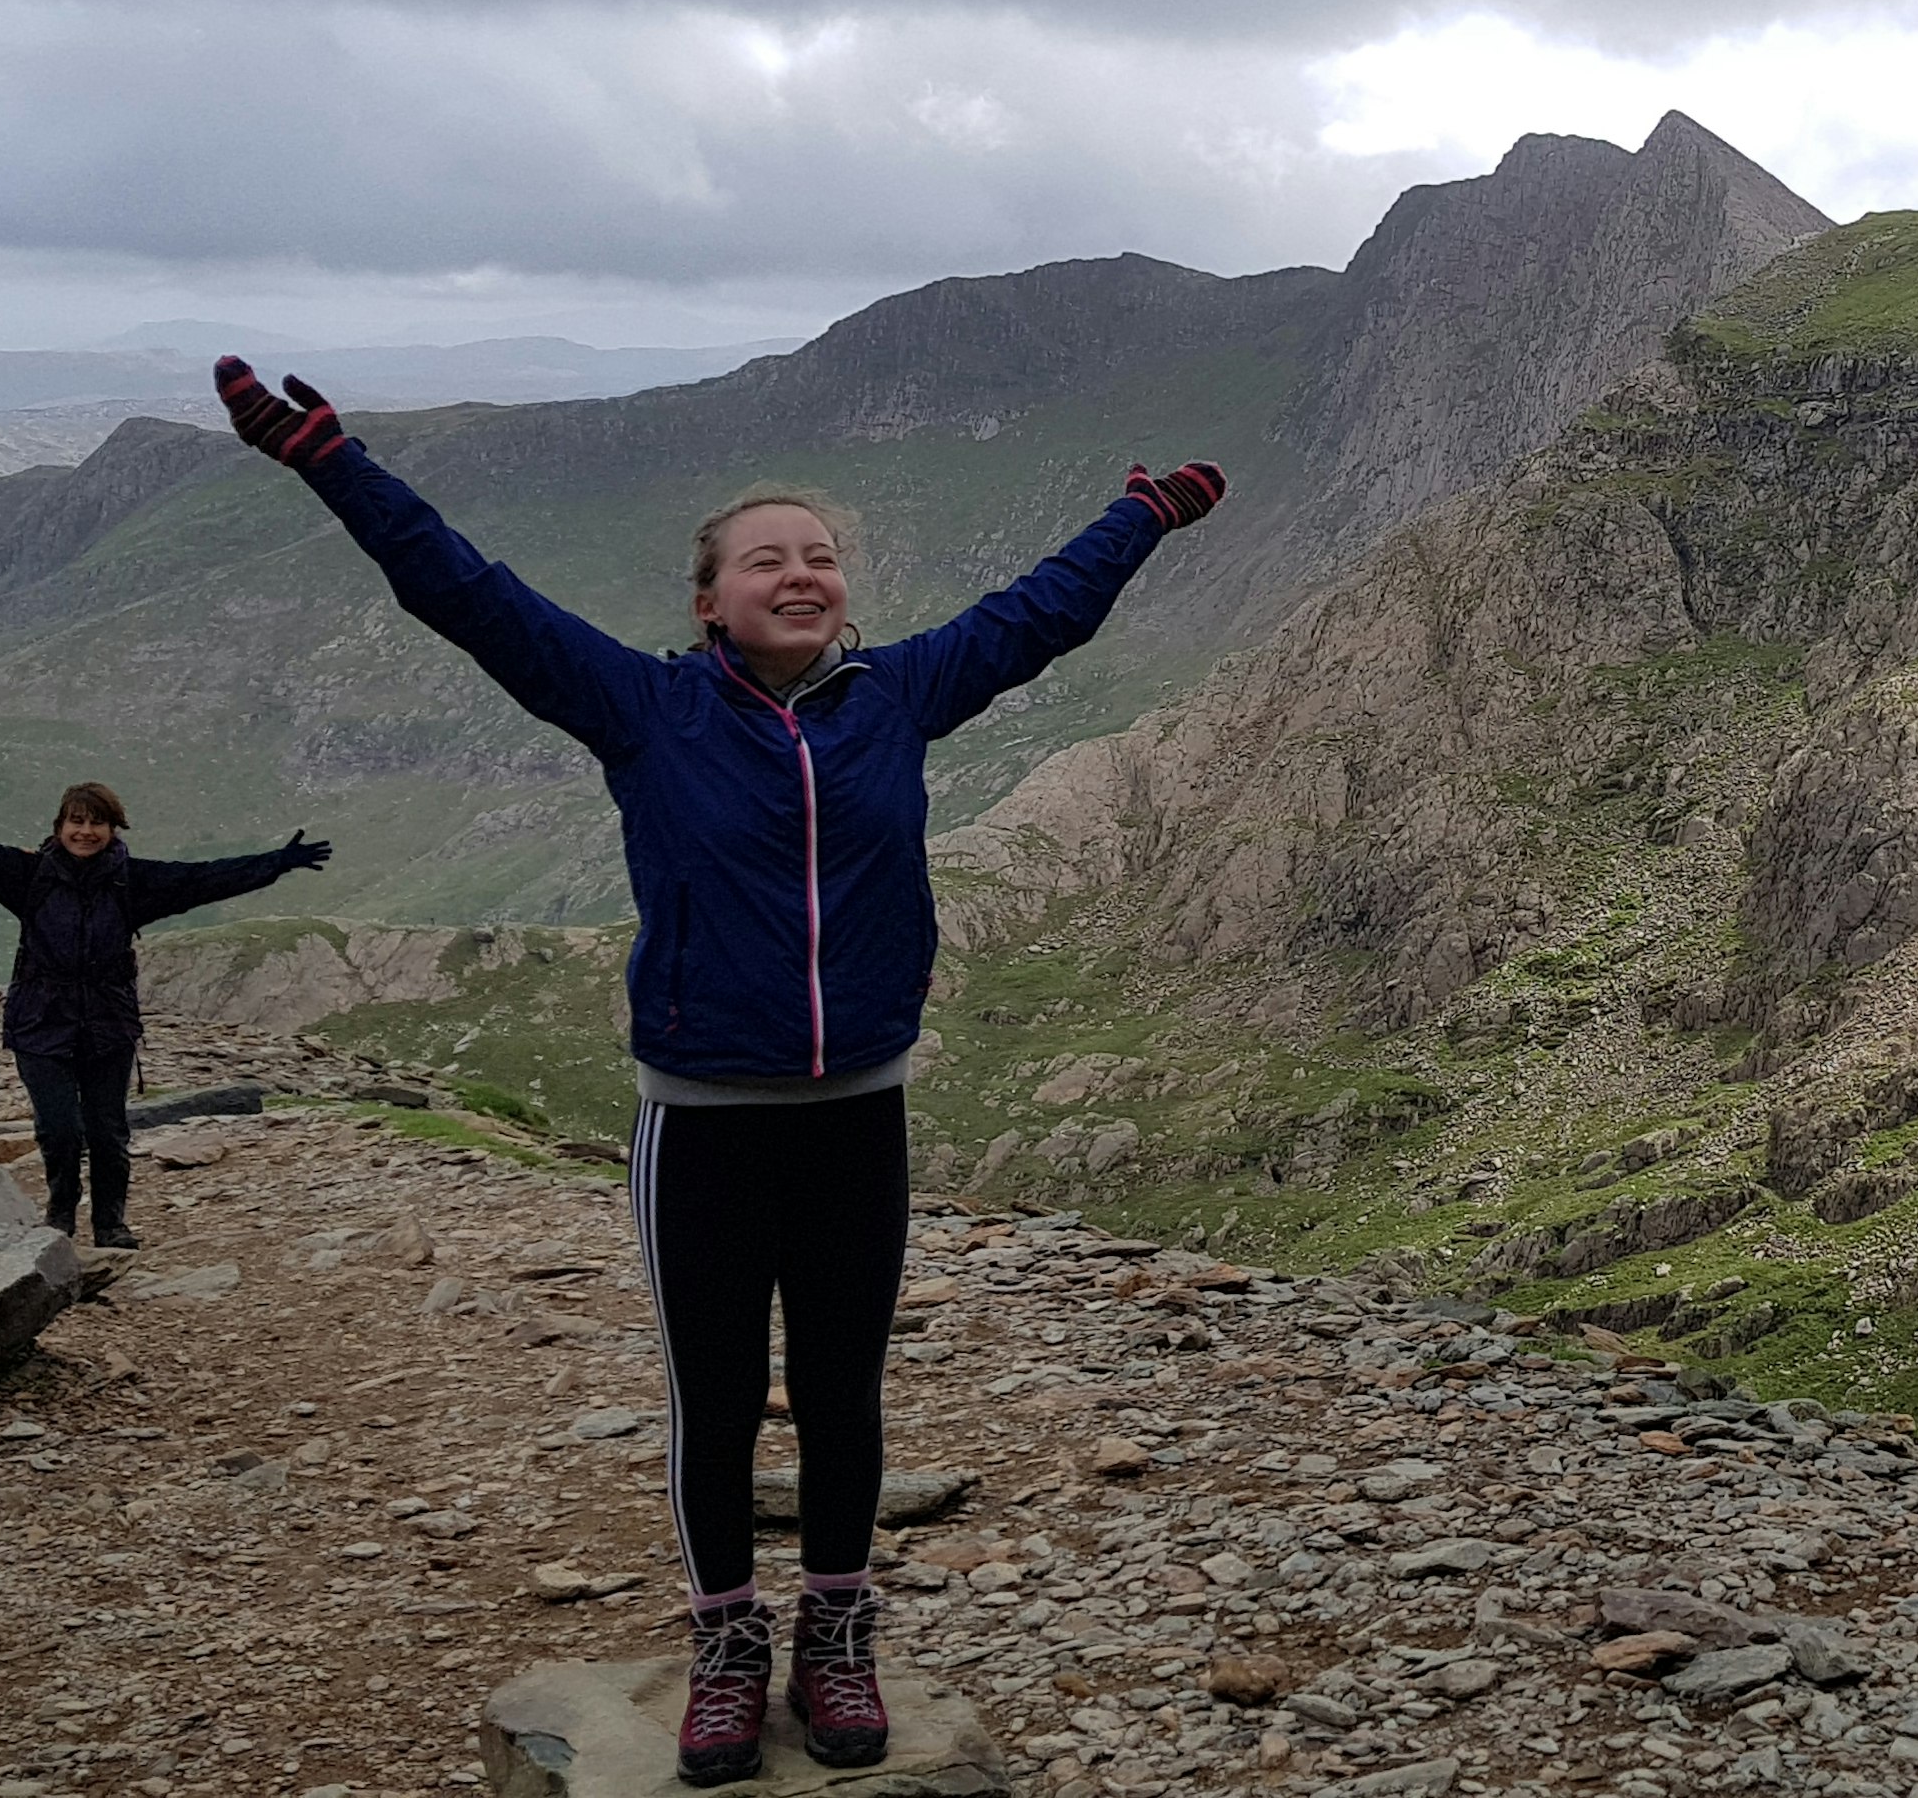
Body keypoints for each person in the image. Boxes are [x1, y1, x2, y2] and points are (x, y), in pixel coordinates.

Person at [206, 357, 1222, 1785]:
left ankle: (838, 1633)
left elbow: (1042, 612)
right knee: (720, 1397)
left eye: (820, 558)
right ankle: (730, 1644)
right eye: (766, 560)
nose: (801, 574)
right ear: (710, 601)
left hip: (858, 1113)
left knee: (849, 1391)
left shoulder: (902, 695)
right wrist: (329, 460)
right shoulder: (643, 710)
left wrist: (1141, 516)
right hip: (705, 1123)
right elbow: (465, 592)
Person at [0, 767, 328, 1247]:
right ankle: (60, 1215)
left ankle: (111, 1225)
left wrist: (277, 861)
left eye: (97, 822)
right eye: (76, 821)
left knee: (107, 1131)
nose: (86, 831)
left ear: (112, 829)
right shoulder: (27, 875)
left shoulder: (132, 882)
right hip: (40, 1020)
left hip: (107, 1023)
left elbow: (206, 879)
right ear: (59, 827)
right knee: (58, 1130)